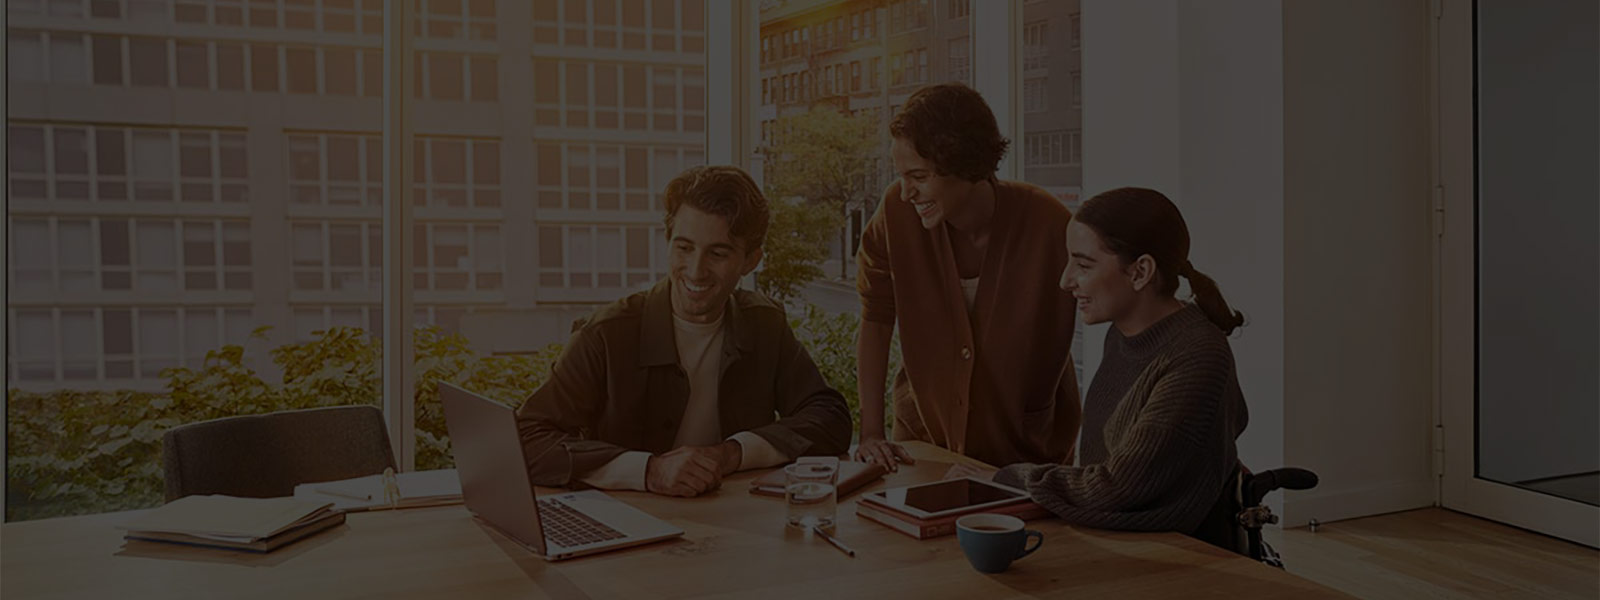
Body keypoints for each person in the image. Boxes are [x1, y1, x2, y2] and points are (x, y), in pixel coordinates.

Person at [516, 165, 853, 498]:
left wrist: (732, 453)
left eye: (718, 253)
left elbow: (829, 417)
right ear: (668, 242)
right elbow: (527, 438)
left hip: (740, 527)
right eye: (684, 247)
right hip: (628, 527)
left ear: (751, 261)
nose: (695, 270)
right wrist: (648, 471)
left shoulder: (764, 324)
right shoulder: (605, 333)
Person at [963, 186, 1250, 551]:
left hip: (1181, 560)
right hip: (1117, 543)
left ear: (1141, 271)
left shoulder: (1198, 355)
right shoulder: (1125, 332)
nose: (1065, 280)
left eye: (1083, 265)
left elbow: (1118, 487)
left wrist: (1009, 477)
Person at [854, 83, 1081, 471]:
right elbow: (875, 319)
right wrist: (871, 432)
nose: (907, 192)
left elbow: (1108, 301)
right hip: (922, 447)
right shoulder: (894, 215)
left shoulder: (1049, 225)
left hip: (1026, 455)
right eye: (902, 175)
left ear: (964, 163)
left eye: (919, 176)